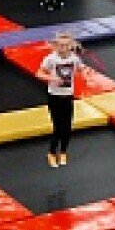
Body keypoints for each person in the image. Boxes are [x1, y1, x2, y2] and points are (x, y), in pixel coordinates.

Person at [37, 32, 82, 167]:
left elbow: (80, 69)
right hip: (54, 97)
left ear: (70, 46)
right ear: (56, 45)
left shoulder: (74, 59)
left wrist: (83, 71)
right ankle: (51, 153)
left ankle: (63, 152)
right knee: (58, 127)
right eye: (61, 45)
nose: (63, 48)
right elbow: (39, 73)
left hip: (68, 96)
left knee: (67, 127)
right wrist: (52, 78)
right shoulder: (51, 59)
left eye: (66, 45)